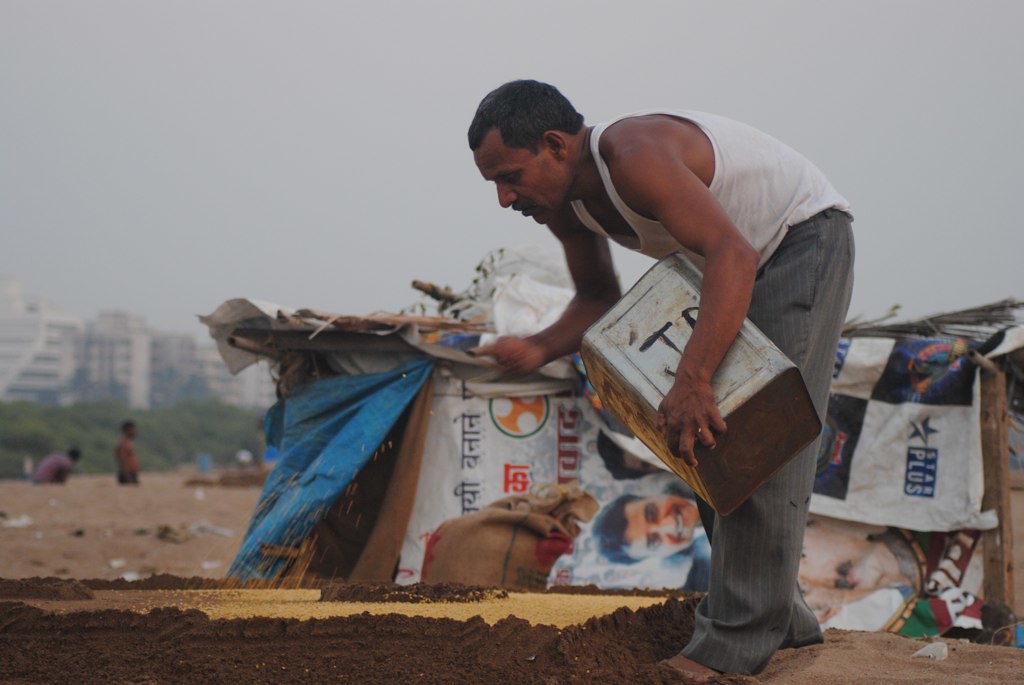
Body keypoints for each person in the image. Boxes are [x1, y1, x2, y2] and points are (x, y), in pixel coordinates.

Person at [468, 80, 854, 678]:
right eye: (493, 182)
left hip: (796, 242)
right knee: (699, 441)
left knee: (755, 439)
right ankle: (786, 627)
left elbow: (733, 251)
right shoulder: (566, 208)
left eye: (510, 176)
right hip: (727, 271)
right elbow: (598, 296)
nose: (503, 197)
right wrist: (539, 346)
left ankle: (731, 648)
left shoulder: (633, 154)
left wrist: (694, 378)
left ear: (554, 145)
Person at [592, 481, 710, 592]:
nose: (671, 523)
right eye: (654, 541)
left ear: (649, 496)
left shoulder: (687, 475)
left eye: (652, 513)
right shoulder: (703, 582)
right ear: (658, 556)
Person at [115, 420, 140, 485]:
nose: (135, 432)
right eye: (134, 430)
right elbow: (123, 461)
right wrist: (128, 478)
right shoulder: (123, 444)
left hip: (131, 475)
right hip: (127, 476)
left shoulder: (128, 443)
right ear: (128, 430)